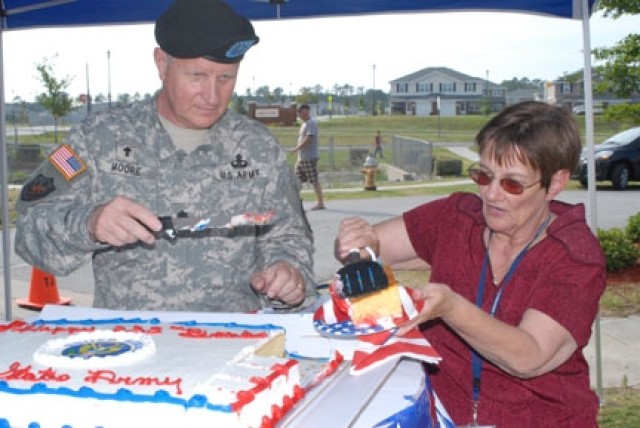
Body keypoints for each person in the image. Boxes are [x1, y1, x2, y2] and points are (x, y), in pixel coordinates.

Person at [14, 0, 316, 313]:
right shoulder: (98, 138)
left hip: (230, 346)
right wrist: (89, 223)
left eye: (225, 79)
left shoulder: (258, 147)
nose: (212, 96)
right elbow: (30, 226)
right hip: (128, 346)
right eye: (197, 76)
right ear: (161, 63)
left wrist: (288, 273)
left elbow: (289, 236)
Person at [334, 101, 605, 427]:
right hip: (444, 413)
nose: (491, 194)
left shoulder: (574, 255)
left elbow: (529, 356)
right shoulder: (458, 218)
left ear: (556, 183)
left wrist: (451, 308)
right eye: (483, 174)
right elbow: (372, 245)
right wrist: (354, 242)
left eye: (512, 183)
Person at [291, 104, 325, 210]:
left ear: (306, 111)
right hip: (302, 158)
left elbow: (309, 139)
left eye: (300, 111)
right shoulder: (304, 124)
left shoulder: (311, 123)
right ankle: (294, 202)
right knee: (296, 180)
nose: (299, 114)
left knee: (314, 180)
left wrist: (297, 148)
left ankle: (320, 202)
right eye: (298, 112)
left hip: (309, 157)